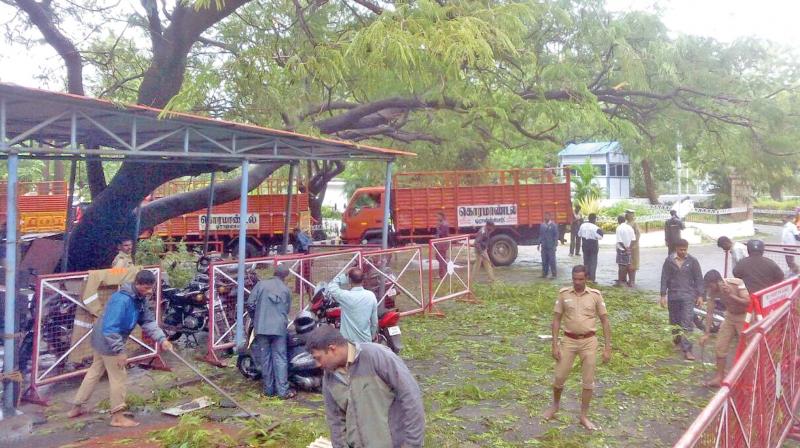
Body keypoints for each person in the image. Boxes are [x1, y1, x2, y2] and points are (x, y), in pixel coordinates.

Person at [67, 270, 173, 427]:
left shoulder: (139, 298)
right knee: (119, 376)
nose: (149, 292)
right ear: (137, 284)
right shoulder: (121, 300)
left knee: (95, 370)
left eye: (151, 288)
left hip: (106, 337)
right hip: (108, 339)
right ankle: (117, 416)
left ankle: (76, 407)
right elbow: (111, 328)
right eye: (145, 288)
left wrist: (162, 339)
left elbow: (147, 321)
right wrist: (120, 351)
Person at [309, 326, 425, 448]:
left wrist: (412, 444)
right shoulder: (329, 378)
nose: (317, 364)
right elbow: (336, 422)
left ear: (332, 349)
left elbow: (411, 398)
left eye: (318, 358)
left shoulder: (377, 356)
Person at [543, 265, 612, 431]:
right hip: (568, 341)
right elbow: (556, 320)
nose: (577, 282)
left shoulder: (595, 295)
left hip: (589, 342)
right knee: (559, 378)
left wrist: (607, 347)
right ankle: (555, 406)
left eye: (581, 279)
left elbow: (604, 321)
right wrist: (554, 344)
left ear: (586, 278)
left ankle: (583, 416)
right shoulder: (564, 294)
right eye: (574, 279)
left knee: (588, 382)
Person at [247, 264, 295, 399]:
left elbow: (250, 303)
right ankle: (283, 391)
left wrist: (256, 317)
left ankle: (268, 390)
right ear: (285, 276)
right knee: (280, 358)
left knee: (265, 358)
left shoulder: (261, 285)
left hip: (261, 327)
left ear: (274, 272)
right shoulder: (286, 290)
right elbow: (287, 309)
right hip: (279, 328)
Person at [699, 270, 750, 387]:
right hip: (729, 317)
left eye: (711, 285)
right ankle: (719, 378)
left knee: (747, 347)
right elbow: (709, 312)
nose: (710, 289)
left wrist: (730, 295)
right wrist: (706, 333)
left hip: (744, 317)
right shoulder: (712, 291)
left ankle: (747, 379)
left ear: (718, 281)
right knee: (720, 346)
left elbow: (748, 302)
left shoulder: (736, 283)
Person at [659, 239, 703, 361]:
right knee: (674, 321)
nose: (683, 252)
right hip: (673, 295)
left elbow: (699, 278)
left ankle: (687, 350)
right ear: (676, 249)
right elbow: (664, 278)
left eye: (685, 249)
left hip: (688, 296)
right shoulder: (669, 261)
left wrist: (700, 295)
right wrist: (663, 295)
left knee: (687, 322)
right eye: (680, 250)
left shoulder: (693, 261)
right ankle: (677, 342)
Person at [328, 267, 379, 343]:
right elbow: (374, 322)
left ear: (350, 280)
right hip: (365, 341)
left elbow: (331, 286)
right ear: (363, 280)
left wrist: (344, 277)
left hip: (348, 342)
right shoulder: (371, 295)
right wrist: (372, 335)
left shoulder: (345, 296)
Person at [578, 214, 603, 282]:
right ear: (594, 219)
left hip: (585, 244)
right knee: (593, 262)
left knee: (586, 261)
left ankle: (586, 277)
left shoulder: (582, 225)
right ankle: (592, 278)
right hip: (593, 245)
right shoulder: (596, 227)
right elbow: (600, 237)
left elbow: (579, 234)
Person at [614, 215, 635, 287]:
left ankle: (620, 281)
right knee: (629, 264)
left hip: (621, 249)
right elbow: (633, 239)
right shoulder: (629, 227)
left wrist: (625, 248)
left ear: (618, 221)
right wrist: (629, 248)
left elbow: (619, 241)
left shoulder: (619, 228)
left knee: (621, 265)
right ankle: (631, 281)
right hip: (629, 248)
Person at [539, 212, 559, 279]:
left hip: (551, 246)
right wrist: (539, 244)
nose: (546, 217)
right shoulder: (542, 225)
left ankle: (554, 274)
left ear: (550, 217)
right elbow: (541, 235)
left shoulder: (553, 225)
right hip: (544, 246)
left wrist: (555, 245)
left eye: (547, 216)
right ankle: (544, 274)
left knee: (552, 260)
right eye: (545, 216)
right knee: (544, 260)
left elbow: (556, 236)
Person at [625, 209, 641, 287]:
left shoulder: (634, 224)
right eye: (626, 213)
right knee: (627, 263)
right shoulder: (626, 223)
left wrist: (634, 244)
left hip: (633, 246)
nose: (626, 215)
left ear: (632, 215)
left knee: (633, 263)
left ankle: (632, 281)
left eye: (628, 214)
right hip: (627, 246)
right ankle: (629, 279)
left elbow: (638, 234)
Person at [435, 211, 450, 278]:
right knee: (440, 257)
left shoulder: (443, 224)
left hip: (442, 243)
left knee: (440, 258)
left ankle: (441, 274)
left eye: (438, 216)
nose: (437, 218)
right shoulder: (443, 223)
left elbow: (441, 233)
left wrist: (437, 227)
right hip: (442, 243)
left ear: (441, 216)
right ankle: (446, 269)